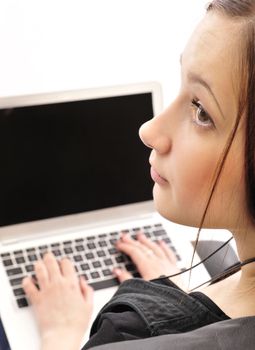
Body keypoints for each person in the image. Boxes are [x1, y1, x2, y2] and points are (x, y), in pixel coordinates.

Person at [21, 1, 255, 349]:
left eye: (201, 111)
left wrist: (61, 333)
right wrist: (182, 293)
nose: (149, 130)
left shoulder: (128, 335)